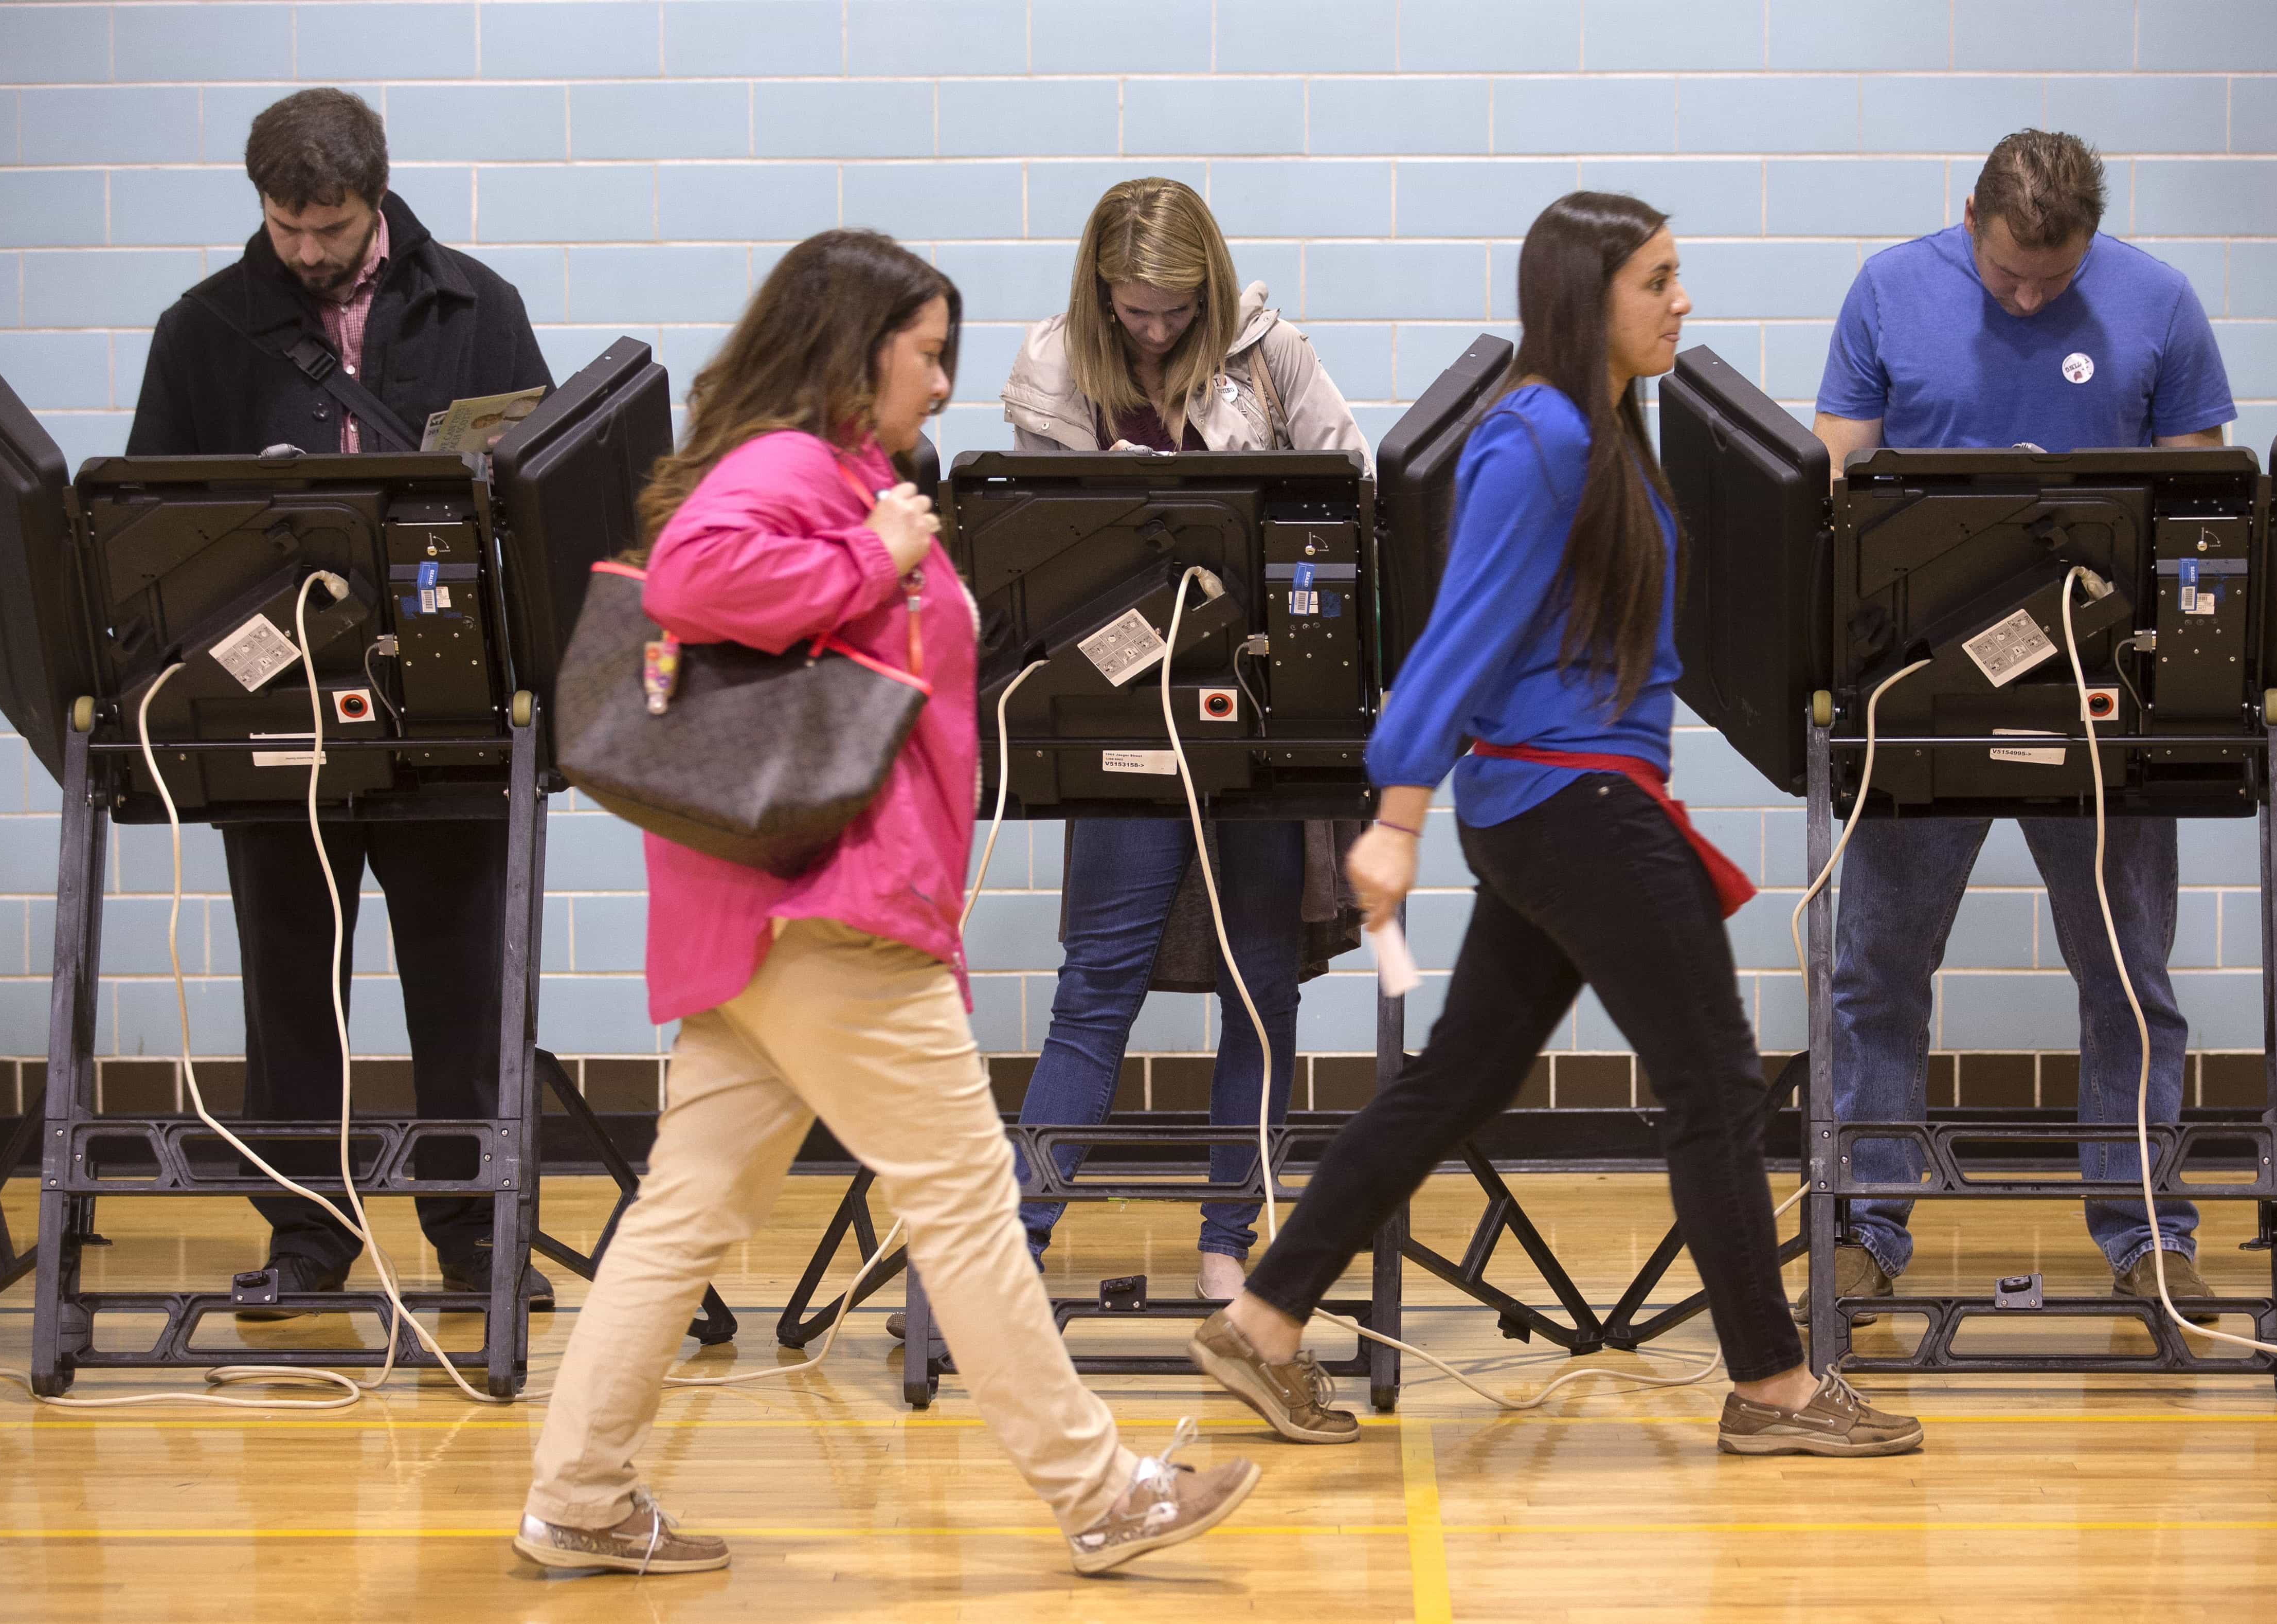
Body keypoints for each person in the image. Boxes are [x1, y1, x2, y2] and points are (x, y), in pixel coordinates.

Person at [516, 229, 1261, 1577]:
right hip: (831, 909)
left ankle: (575, 1494)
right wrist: (871, 552)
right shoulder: (800, 471)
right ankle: (1100, 1490)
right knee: (968, 1201)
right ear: (852, 351)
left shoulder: (844, 473)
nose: (940, 382)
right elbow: (691, 577)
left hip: (766, 917)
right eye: (925, 354)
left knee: (684, 1209)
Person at [1182, 192, 1924, 1459]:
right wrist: (1396, 813)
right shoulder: (1536, 438)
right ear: (1589, 297)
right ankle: (1774, 1386)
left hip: (1567, 803)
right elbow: (1459, 631)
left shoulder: (1602, 432)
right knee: (1716, 1081)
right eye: (1658, 278)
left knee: (1459, 1081)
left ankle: (1260, 1318)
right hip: (1570, 803)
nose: (1680, 299)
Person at [124, 88, 554, 1309]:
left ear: (377, 198)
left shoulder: (481, 305)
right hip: (274, 706)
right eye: (285, 226)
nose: (306, 252)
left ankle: (477, 1238)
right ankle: (306, 1239)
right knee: (291, 988)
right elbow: (153, 528)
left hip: (448, 701)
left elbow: (542, 493)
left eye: (331, 227)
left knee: (462, 985)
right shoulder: (203, 329)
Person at [1811, 130, 2236, 1322]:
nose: (2032, 296)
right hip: (1919, 692)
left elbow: (2194, 502)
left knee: (2126, 973)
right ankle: (1865, 1223)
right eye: (2009, 278)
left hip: (2098, 695)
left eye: (2055, 279)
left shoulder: (2157, 302)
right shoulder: (1890, 290)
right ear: (1968, 219)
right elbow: (1831, 471)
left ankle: (2145, 1231)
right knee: (1877, 971)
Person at [996, 177, 1370, 1302]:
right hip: (1117, 715)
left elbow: (1353, 495)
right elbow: (1029, 557)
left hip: (1252, 714)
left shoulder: (1272, 355)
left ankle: (1226, 1247)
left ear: (1207, 286)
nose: (1153, 330)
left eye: (1172, 309)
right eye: (1132, 309)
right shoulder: (1058, 367)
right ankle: (1012, 1256)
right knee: (1096, 987)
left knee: (1260, 986)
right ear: (1097, 293)